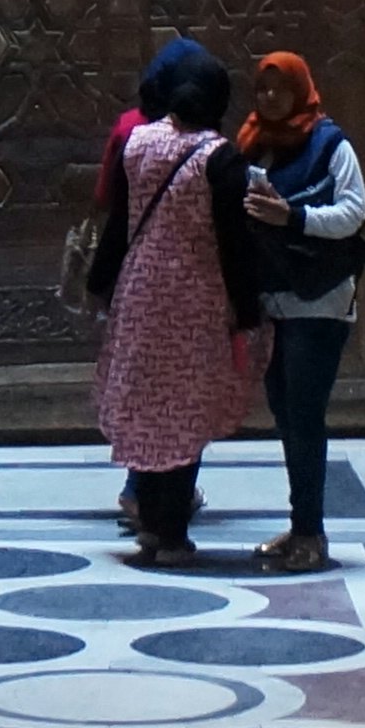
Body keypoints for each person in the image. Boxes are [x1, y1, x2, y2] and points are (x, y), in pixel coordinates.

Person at [87, 42, 260, 568]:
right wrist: (247, 305)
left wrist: (101, 282)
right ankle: (173, 533)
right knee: (185, 414)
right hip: (195, 299)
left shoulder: (137, 143)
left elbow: (119, 223)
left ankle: (152, 526)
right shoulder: (220, 158)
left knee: (149, 407)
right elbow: (234, 241)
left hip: (141, 293)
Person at [235, 49, 365, 572]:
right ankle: (300, 525)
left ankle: (312, 533)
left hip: (319, 297)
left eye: (279, 89)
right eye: (262, 89)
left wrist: (293, 217)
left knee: (306, 415)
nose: (270, 98)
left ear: (300, 90)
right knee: (286, 413)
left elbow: (353, 211)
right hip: (275, 297)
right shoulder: (253, 146)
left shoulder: (329, 143)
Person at [88, 35, 210, 534]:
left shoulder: (129, 128)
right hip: (187, 282)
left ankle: (144, 487)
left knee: (143, 384)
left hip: (133, 275)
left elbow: (107, 200)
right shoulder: (200, 136)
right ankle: (162, 496)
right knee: (185, 389)